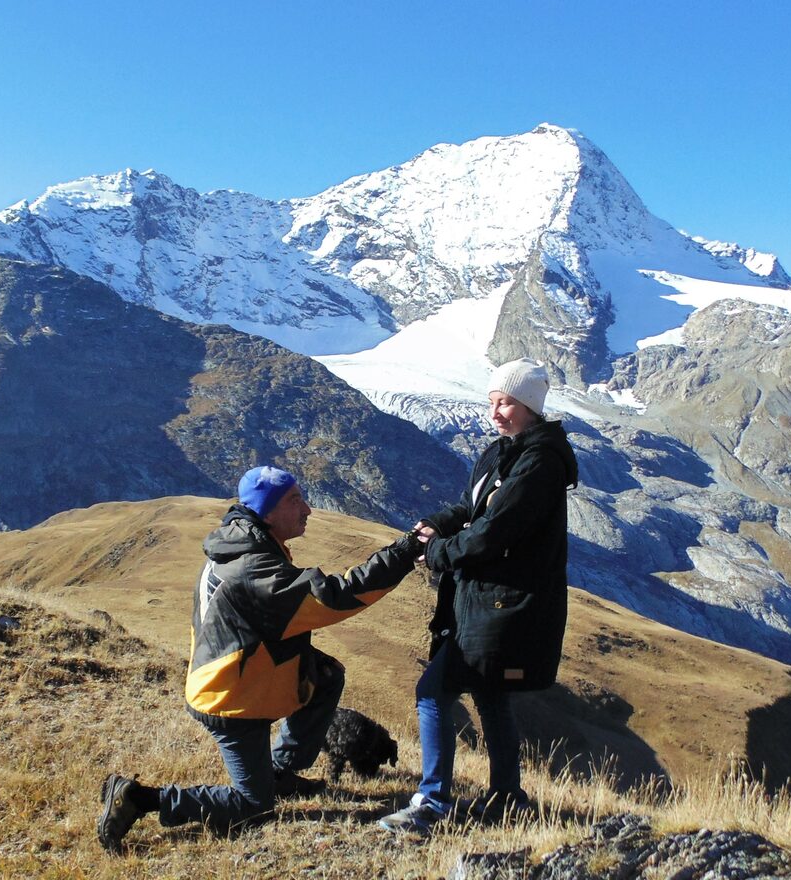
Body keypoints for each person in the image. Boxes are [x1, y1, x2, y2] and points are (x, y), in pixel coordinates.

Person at [98, 465, 425, 852]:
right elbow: (333, 598)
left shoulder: (240, 543)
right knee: (253, 806)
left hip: (236, 672)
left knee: (325, 675)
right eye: (294, 501)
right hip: (230, 699)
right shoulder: (254, 568)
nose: (308, 510)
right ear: (267, 512)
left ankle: (280, 772)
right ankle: (140, 799)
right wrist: (405, 552)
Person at [378, 358, 578, 837]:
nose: (496, 412)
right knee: (490, 696)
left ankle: (433, 802)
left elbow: (496, 530)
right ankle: (508, 797)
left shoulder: (540, 462)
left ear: (530, 405)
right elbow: (472, 508)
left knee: (433, 692)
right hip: (484, 600)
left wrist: (439, 553)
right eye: (492, 402)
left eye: (505, 402)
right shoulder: (503, 451)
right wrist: (439, 523)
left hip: (502, 602)